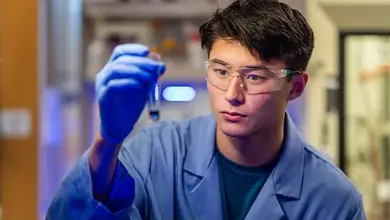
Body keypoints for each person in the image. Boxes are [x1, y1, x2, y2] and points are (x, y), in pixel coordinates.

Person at [46, 0, 366, 219]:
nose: (232, 94)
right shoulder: (155, 154)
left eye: (254, 76)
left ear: (295, 86)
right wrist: (109, 139)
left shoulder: (332, 198)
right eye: (221, 71)